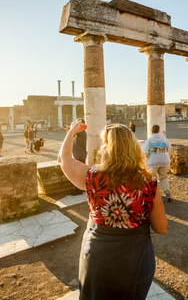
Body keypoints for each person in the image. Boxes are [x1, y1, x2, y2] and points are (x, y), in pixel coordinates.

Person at [58, 120, 167, 300]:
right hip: (136, 257)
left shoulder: (92, 177)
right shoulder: (148, 183)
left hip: (98, 255)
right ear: (133, 147)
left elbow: (64, 158)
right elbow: (161, 227)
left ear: (106, 148)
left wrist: (72, 131)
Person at [142, 125, 173, 202]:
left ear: (152, 131)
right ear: (159, 130)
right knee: (164, 177)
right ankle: (168, 193)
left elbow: (145, 151)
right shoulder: (164, 139)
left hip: (153, 162)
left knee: (152, 179)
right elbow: (169, 148)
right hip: (164, 161)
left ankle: (153, 194)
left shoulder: (149, 140)